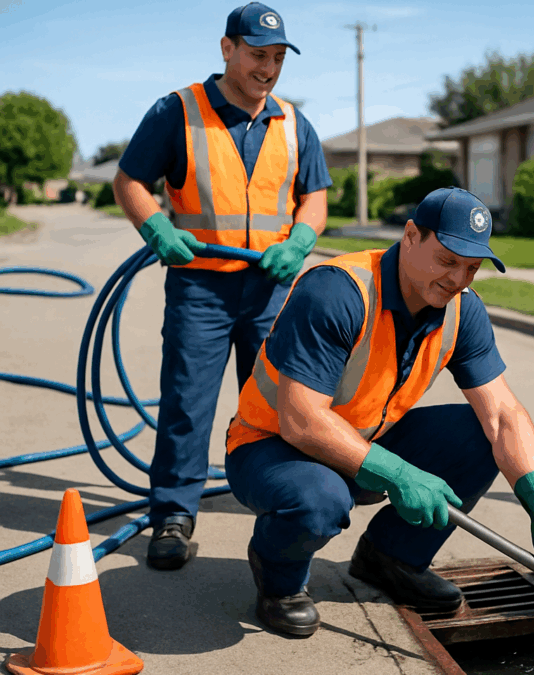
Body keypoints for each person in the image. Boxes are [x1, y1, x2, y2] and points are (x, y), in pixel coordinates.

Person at [221, 186, 534, 638]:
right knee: (321, 500)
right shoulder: (338, 291)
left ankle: (391, 559)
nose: (459, 279)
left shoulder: (459, 310)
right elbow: (302, 419)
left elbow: (504, 414)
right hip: (270, 447)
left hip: (362, 441)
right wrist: (399, 474)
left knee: (480, 435)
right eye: (448, 260)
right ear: (410, 236)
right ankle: (280, 581)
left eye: (472, 268)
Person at [113, 2, 332, 571]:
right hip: (201, 289)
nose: (268, 68)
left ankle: (278, 502)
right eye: (258, 54)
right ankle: (174, 515)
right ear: (227, 48)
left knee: (278, 404)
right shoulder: (177, 111)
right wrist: (156, 226)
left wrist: (301, 241)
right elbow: (129, 179)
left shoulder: (291, 121)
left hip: (270, 290)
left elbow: (315, 196)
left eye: (278, 58)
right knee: (188, 404)